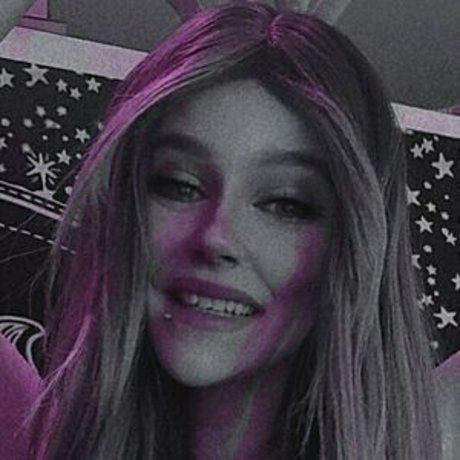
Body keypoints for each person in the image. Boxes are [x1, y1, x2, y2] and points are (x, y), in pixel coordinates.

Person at [0, 1, 454, 459]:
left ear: (356, 244)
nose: (215, 236)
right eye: (179, 185)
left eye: (286, 203)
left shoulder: (417, 444)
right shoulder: (35, 440)